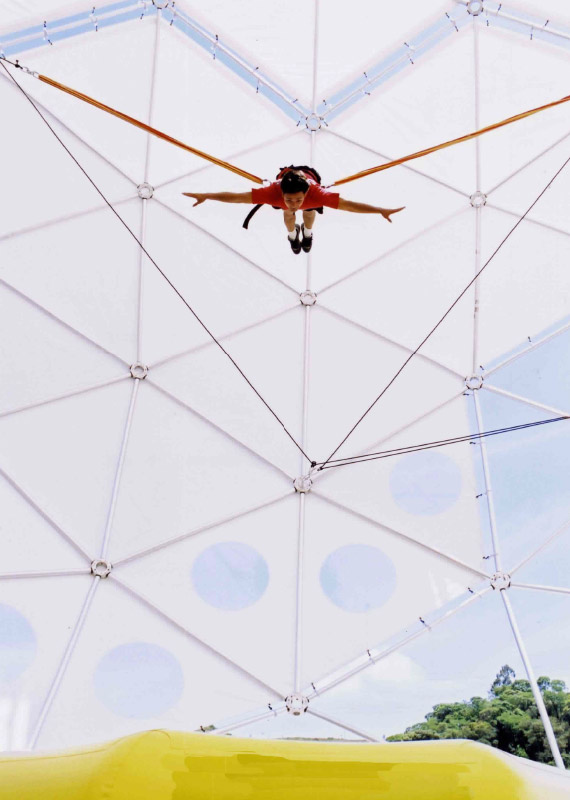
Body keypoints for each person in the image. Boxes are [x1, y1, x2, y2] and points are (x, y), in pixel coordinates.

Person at [182, 169, 404, 254]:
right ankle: (292, 236)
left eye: (298, 199)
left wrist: (380, 211)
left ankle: (307, 233)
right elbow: (236, 197)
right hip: (286, 186)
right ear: (282, 194)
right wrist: (207, 195)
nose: (295, 203)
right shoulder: (272, 193)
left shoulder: (317, 194)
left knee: (308, 214)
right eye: (290, 199)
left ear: (306, 193)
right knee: (288, 215)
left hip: (312, 193)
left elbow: (350, 205)